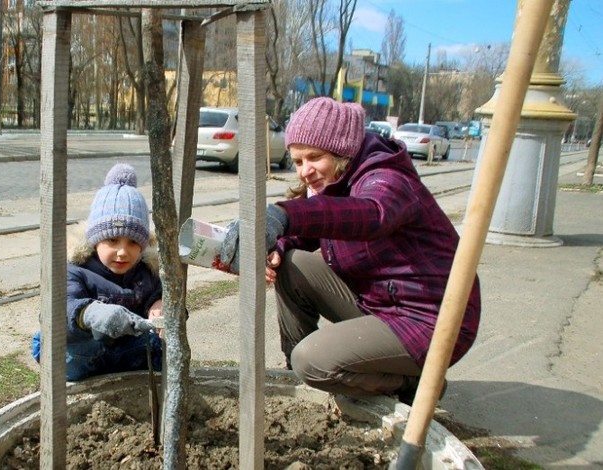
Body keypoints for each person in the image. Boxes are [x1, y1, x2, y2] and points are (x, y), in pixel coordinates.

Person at [219, 97, 480, 404]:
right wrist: (276, 246)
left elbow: (369, 213)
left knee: (312, 361)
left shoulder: (387, 179)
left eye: (315, 157)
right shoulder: (338, 182)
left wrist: (284, 215)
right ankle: (301, 377)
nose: (305, 171)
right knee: (290, 264)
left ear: (342, 150)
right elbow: (310, 231)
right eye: (299, 161)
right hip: (382, 305)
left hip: (431, 319)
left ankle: (413, 384)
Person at [31, 163, 163, 381]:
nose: (122, 252)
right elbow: (61, 310)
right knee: (63, 353)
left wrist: (158, 303)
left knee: (160, 345)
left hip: (127, 352)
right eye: (112, 240)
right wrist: (89, 314)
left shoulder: (145, 272)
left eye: (132, 243)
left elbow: (161, 294)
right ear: (95, 239)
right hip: (85, 353)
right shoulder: (77, 270)